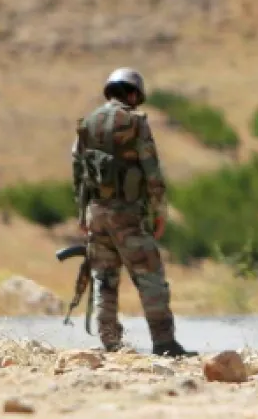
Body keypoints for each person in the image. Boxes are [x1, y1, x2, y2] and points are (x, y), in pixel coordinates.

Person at [71, 67, 196, 358]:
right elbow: (151, 171)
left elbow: (78, 172)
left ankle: (110, 343)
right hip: (127, 214)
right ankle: (164, 343)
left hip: (96, 212)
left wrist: (82, 215)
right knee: (150, 276)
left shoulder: (87, 123)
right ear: (131, 93)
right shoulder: (135, 122)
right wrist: (159, 211)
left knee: (104, 278)